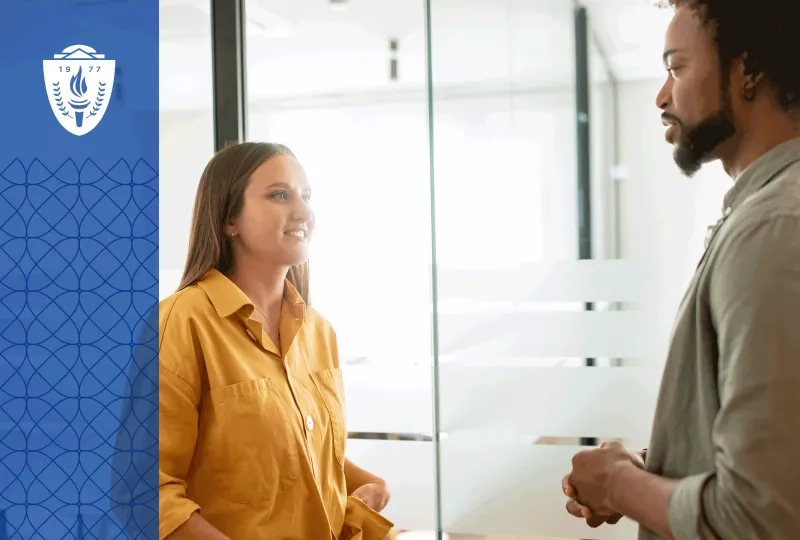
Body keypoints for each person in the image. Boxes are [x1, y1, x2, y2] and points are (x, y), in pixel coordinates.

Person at [561, 1, 800, 539]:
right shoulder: (764, 213)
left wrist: (621, 485)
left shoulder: (773, 226)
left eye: (677, 67)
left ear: (748, 69)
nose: (662, 96)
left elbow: (761, 517)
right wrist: (655, 473)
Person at [159, 142, 394, 540]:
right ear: (229, 218)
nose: (303, 212)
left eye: (306, 196)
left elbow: (291, 453)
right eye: (279, 195)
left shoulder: (320, 333)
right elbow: (150, 490)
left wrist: (364, 483)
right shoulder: (181, 323)